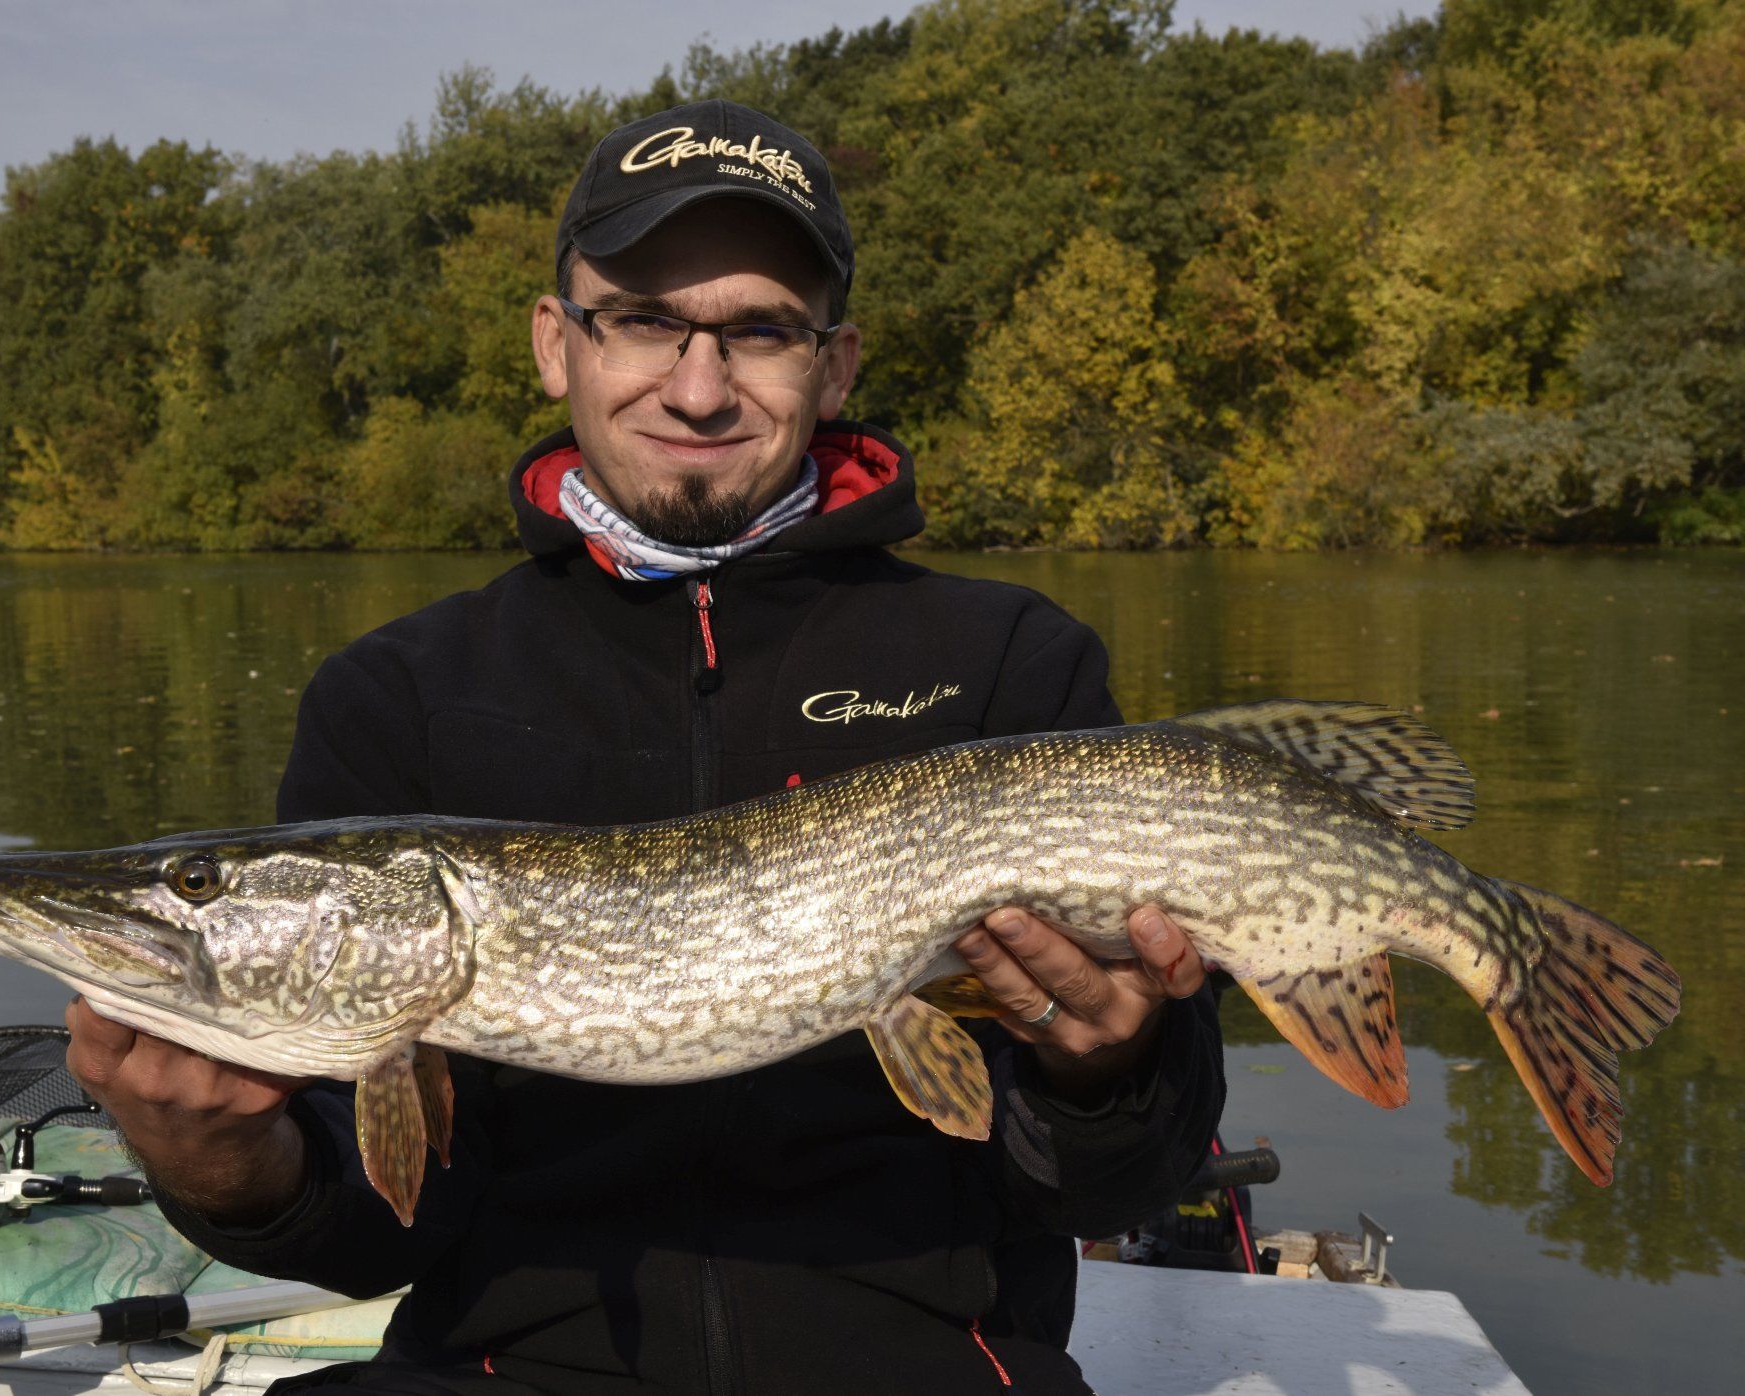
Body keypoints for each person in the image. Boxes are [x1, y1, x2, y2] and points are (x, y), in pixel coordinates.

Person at [66, 100, 1226, 1395]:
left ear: (833, 365)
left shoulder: (1013, 662)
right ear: (557, 344)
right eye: (644, 319)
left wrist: (1109, 1068)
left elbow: (1116, 1180)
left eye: (758, 330)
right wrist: (222, 1163)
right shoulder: (400, 696)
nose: (697, 382)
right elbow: (371, 1230)